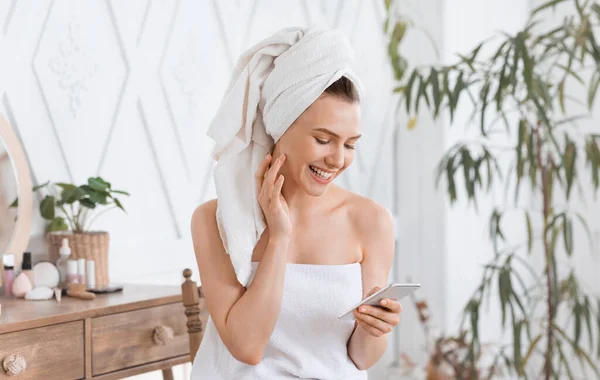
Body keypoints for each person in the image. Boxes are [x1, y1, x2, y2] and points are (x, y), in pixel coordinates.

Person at [190, 26, 402, 379]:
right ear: (280, 126)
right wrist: (279, 237)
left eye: (349, 145)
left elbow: (361, 358)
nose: (338, 159)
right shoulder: (216, 221)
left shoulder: (370, 221)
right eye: (323, 139)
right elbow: (247, 346)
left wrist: (375, 328)